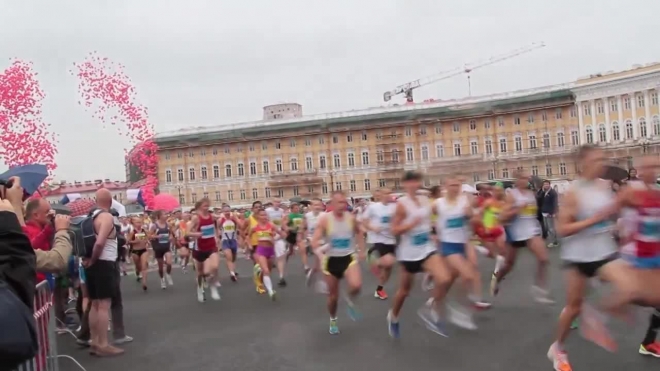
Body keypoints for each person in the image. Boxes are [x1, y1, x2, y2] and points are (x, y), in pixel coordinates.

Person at [547, 145, 633, 370]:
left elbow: (606, 216)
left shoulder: (603, 187)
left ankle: (595, 316)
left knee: (629, 287)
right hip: (579, 257)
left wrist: (616, 216)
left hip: (604, 252)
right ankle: (558, 348)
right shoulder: (574, 191)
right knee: (573, 307)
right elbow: (563, 228)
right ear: (583, 163)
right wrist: (594, 220)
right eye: (596, 160)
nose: (602, 163)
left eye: (603, 159)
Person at [387, 171, 451, 338]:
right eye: (411, 182)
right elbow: (394, 229)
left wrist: (433, 231)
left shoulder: (424, 200)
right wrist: (409, 225)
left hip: (427, 248)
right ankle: (393, 316)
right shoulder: (402, 204)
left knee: (444, 278)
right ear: (405, 185)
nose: (414, 185)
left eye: (417, 181)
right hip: (409, 254)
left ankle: (431, 309)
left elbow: (429, 218)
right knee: (404, 291)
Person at [311, 190, 366, 335]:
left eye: (344, 202)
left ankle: (348, 297)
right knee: (332, 298)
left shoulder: (351, 218)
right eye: (339, 202)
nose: (342, 205)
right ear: (332, 203)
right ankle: (333, 319)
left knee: (356, 285)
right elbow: (314, 241)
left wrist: (361, 250)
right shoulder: (325, 220)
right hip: (331, 261)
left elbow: (359, 232)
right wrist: (320, 253)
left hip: (348, 257)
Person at [82, 189, 123, 356]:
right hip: (104, 263)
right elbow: (100, 243)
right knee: (104, 305)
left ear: (95, 200)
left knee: (94, 304)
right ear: (111, 200)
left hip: (91, 264)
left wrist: (89, 261)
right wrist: (94, 259)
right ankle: (104, 344)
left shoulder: (90, 217)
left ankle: (94, 340)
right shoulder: (106, 217)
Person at [361, 188, 396, 300]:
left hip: (392, 239)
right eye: (386, 193)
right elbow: (364, 221)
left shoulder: (395, 207)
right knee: (389, 261)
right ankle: (373, 260)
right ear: (380, 195)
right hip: (379, 239)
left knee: (388, 268)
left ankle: (379, 290)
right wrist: (372, 227)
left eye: (389, 193)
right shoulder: (373, 207)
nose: (388, 195)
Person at [187, 198, 221, 302]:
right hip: (199, 248)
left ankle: (213, 286)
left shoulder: (212, 217)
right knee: (201, 273)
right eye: (204, 206)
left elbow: (215, 228)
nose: (207, 207)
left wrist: (217, 236)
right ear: (199, 207)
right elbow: (187, 233)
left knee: (214, 267)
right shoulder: (196, 218)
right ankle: (200, 289)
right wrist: (196, 234)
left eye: (208, 205)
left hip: (211, 247)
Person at [248, 208, 286, 300]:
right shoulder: (255, 227)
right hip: (260, 250)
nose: (264, 217)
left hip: (270, 250)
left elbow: (282, 234)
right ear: (258, 217)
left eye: (265, 215)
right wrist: (249, 244)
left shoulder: (271, 225)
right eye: (261, 215)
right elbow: (248, 236)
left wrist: (275, 238)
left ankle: (259, 279)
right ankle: (270, 291)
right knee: (266, 271)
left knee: (268, 270)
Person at [149, 211, 175, 289]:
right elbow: (150, 236)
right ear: (159, 216)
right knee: (160, 267)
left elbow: (171, 233)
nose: (166, 215)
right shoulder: (154, 226)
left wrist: (170, 237)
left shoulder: (168, 224)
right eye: (164, 214)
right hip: (158, 247)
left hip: (166, 246)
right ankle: (162, 279)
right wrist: (157, 237)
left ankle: (168, 274)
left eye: (166, 214)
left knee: (169, 263)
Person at [218, 205, 241, 281]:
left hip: (233, 240)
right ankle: (232, 274)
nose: (227, 212)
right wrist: (218, 238)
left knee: (233, 258)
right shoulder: (221, 220)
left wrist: (238, 236)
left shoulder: (233, 219)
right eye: (225, 211)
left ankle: (233, 270)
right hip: (225, 241)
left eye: (228, 211)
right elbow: (217, 229)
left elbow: (239, 226)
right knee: (229, 257)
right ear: (223, 212)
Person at [538, 180, 559, 248]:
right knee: (547, 228)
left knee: (551, 228)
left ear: (549, 185)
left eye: (547, 184)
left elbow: (555, 203)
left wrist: (553, 212)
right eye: (544, 184)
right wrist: (542, 191)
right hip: (544, 212)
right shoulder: (544, 192)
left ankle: (554, 242)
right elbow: (539, 198)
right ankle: (552, 240)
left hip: (550, 212)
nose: (545, 185)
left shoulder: (552, 192)